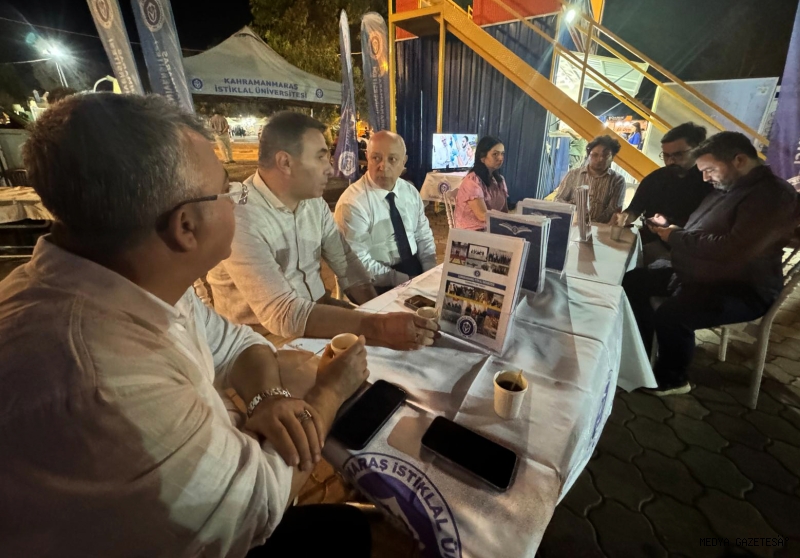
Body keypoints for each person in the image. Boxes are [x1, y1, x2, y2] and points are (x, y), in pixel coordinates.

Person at [0, 93, 373, 556]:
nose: (238, 204)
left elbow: (237, 343)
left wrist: (268, 397)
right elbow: (254, 506)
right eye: (226, 192)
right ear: (186, 227)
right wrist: (331, 391)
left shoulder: (130, 277)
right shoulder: (104, 378)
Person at [208, 111, 438, 348]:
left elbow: (346, 262)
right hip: (260, 339)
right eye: (320, 158)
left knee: (414, 344)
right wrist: (378, 326)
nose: (330, 169)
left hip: (316, 309)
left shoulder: (313, 202)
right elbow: (282, 314)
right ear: (285, 163)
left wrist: (377, 313)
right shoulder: (239, 216)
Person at [623, 131, 799, 396]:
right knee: (632, 281)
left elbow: (733, 249)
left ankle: (673, 378)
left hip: (740, 288)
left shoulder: (772, 195)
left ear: (739, 161)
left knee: (671, 315)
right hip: (697, 274)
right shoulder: (729, 188)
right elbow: (702, 229)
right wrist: (671, 227)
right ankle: (644, 353)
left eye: (709, 170)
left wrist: (676, 236)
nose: (705, 178)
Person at [334, 130, 437, 292]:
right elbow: (357, 261)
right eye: (376, 158)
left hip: (412, 264)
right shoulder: (353, 203)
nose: (383, 166)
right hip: (373, 278)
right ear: (367, 157)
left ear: (404, 162)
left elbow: (422, 234)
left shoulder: (409, 192)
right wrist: (403, 280)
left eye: (392, 159)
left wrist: (429, 269)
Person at [620, 122, 713, 263]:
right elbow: (634, 209)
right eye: (666, 155)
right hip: (647, 241)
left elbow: (709, 230)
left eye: (678, 155)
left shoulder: (710, 183)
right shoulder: (655, 178)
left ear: (697, 150)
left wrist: (668, 226)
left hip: (686, 252)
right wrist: (623, 218)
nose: (670, 161)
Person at [553, 135, 626, 224]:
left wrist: (591, 224)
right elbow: (558, 200)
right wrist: (575, 211)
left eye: (606, 156)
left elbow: (613, 210)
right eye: (595, 155)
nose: (600, 159)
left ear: (612, 158)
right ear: (588, 155)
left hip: (600, 228)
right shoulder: (573, 174)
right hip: (572, 224)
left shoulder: (617, 181)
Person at [454, 135, 509, 230]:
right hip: (470, 233)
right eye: (495, 154)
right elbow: (483, 216)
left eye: (502, 154)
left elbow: (505, 212)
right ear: (482, 157)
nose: (500, 158)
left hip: (491, 229)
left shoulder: (500, 180)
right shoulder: (472, 181)